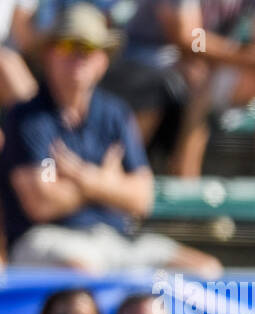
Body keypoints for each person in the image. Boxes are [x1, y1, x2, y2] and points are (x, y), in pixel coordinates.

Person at [0, 4, 221, 275]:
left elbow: (142, 199)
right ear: (48, 54)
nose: (79, 56)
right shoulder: (28, 117)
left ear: (103, 60)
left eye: (90, 48)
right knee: (83, 267)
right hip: (48, 239)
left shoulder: (115, 113)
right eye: (69, 45)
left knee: (206, 271)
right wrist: (107, 183)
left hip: (114, 240)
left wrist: (84, 179)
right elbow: (41, 202)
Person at [119, 0, 255, 179]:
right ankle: (186, 194)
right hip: (151, 60)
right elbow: (188, 38)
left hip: (214, 62)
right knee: (198, 82)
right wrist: (247, 57)